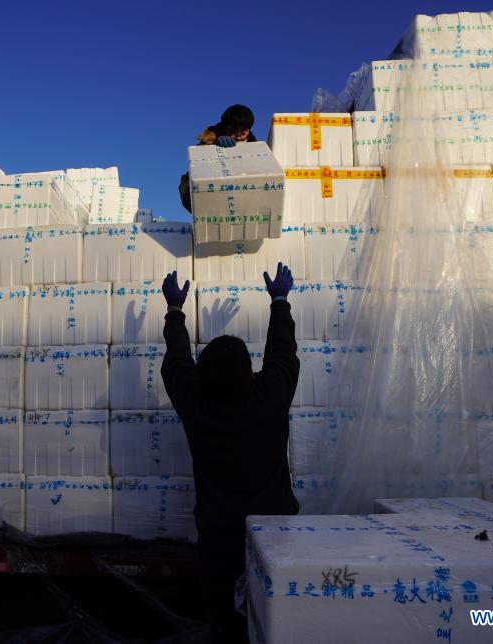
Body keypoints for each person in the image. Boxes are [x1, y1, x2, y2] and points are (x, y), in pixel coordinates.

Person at [160, 262, 300, 642]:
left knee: (225, 624)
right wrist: (280, 301)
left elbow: (176, 363)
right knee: (274, 621)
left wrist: (175, 312)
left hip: (219, 547)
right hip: (274, 538)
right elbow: (283, 356)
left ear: (202, 382)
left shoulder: (197, 408)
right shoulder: (269, 400)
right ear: (250, 374)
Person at [179, 104, 258, 213]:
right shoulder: (208, 140)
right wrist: (213, 147)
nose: (239, 136)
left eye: (243, 132)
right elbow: (197, 167)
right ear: (226, 128)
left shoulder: (257, 150)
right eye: (234, 131)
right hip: (213, 207)